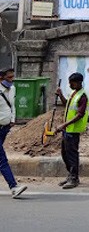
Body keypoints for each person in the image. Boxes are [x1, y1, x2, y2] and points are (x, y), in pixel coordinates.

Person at [55, 72, 89, 189]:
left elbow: (80, 114)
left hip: (73, 130)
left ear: (79, 82)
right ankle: (70, 175)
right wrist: (61, 95)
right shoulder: (74, 94)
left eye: (72, 83)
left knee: (72, 154)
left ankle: (74, 178)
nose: (70, 85)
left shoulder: (82, 96)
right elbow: (67, 105)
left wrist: (64, 124)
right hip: (67, 130)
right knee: (65, 153)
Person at [0, 68, 27, 199]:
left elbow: (13, 105)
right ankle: (14, 187)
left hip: (4, 129)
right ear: (1, 78)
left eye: (12, 78)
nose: (11, 81)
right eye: (8, 78)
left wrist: (12, 120)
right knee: (2, 159)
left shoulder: (13, 89)